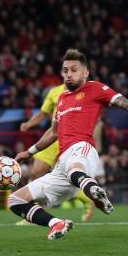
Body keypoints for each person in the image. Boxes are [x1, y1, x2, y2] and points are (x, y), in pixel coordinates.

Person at [11, 48, 128, 240]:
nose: (68, 74)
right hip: (61, 166)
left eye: (74, 70)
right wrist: (29, 152)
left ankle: (95, 194)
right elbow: (53, 132)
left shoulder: (95, 89)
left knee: (75, 168)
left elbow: (126, 103)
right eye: (65, 70)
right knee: (15, 201)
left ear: (85, 72)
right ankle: (56, 223)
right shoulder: (62, 99)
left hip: (83, 149)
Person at [18, 83, 95, 224]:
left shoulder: (84, 90)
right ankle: (85, 197)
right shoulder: (54, 92)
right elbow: (43, 113)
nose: (69, 74)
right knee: (36, 173)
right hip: (53, 137)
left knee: (63, 177)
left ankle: (85, 199)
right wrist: (29, 124)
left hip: (71, 138)